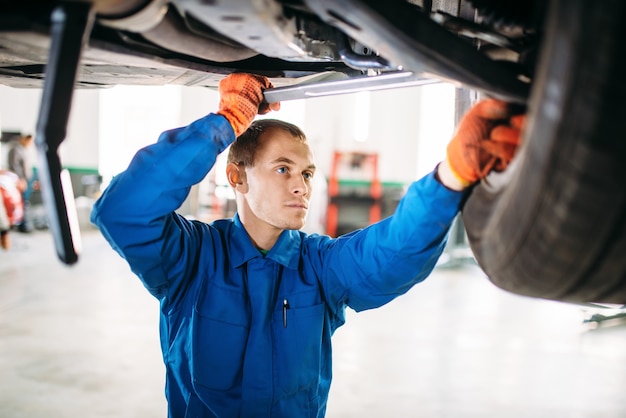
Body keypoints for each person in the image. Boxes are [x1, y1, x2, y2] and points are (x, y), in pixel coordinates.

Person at [91, 73, 524, 417]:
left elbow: (390, 252)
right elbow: (122, 211)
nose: (301, 186)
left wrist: (452, 175)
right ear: (237, 177)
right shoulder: (191, 260)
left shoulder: (319, 268)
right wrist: (225, 123)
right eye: (283, 169)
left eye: (307, 173)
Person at [8, 133, 35, 232]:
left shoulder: (23, 150)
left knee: (25, 202)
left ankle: (24, 224)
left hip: (25, 179)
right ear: (24, 139)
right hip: (19, 180)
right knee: (21, 202)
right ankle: (22, 225)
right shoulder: (15, 149)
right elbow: (15, 166)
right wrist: (20, 179)